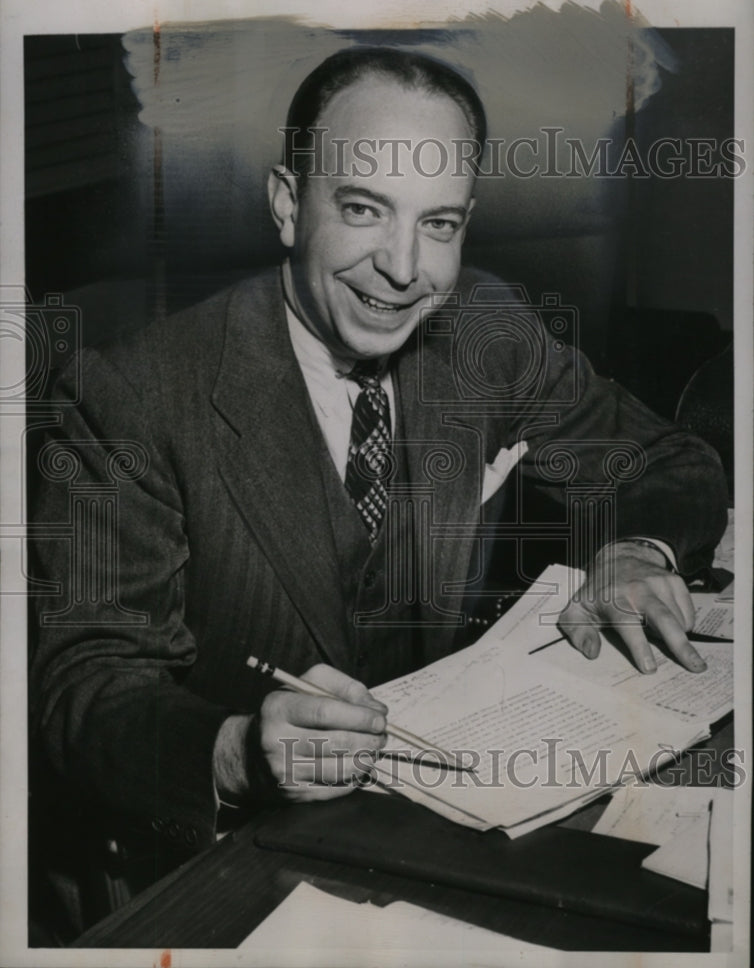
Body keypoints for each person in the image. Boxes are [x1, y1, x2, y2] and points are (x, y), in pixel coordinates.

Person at [29, 47, 728, 930]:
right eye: (364, 209)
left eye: (438, 225)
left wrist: (633, 549)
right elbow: (84, 687)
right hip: (239, 864)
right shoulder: (133, 394)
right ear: (289, 203)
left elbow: (672, 461)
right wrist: (241, 751)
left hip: (456, 828)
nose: (404, 270)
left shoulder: (485, 327)